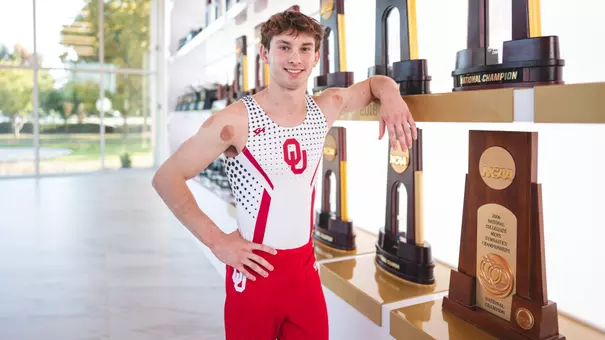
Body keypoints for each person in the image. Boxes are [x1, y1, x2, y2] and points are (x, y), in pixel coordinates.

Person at [152, 9, 417, 340]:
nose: (296, 58)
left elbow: (375, 84)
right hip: (254, 278)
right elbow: (167, 178)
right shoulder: (234, 122)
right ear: (265, 53)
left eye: (305, 48)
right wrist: (218, 242)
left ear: (317, 56)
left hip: (305, 277)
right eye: (284, 47)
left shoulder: (326, 106)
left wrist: (391, 95)